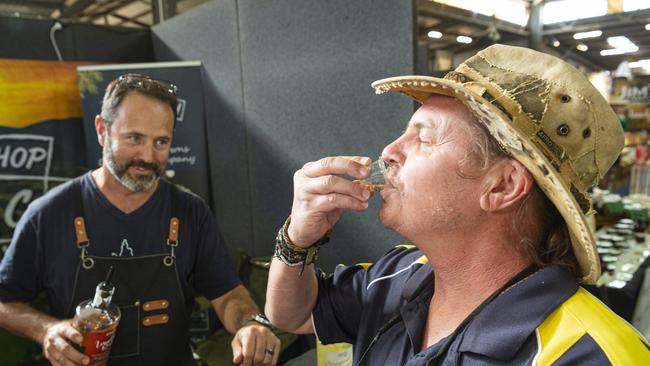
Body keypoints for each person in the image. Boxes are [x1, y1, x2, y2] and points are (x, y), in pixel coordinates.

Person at [265, 44, 650, 365]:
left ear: (502, 186)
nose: (390, 151)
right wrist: (297, 240)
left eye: (425, 138)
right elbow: (293, 314)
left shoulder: (590, 354)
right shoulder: (403, 273)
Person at [0, 74, 280, 366]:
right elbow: (4, 301)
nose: (147, 156)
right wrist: (46, 330)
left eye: (161, 142)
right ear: (102, 130)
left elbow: (228, 295)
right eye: (134, 138)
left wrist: (251, 324)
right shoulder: (48, 214)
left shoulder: (189, 211)